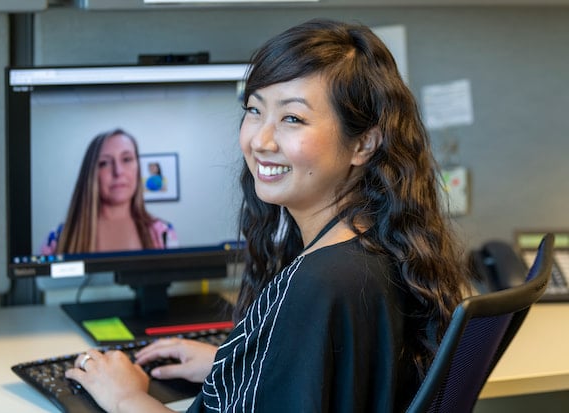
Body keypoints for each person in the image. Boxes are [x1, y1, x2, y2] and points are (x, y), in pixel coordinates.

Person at [65, 19, 471, 412]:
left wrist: (126, 398)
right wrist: (236, 365)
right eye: (255, 110)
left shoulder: (318, 284)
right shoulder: (380, 250)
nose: (259, 140)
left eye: (292, 118)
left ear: (362, 144)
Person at [40, 128, 178, 255]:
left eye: (127, 159)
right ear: (91, 174)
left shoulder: (163, 234)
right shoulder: (59, 239)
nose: (118, 171)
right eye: (104, 163)